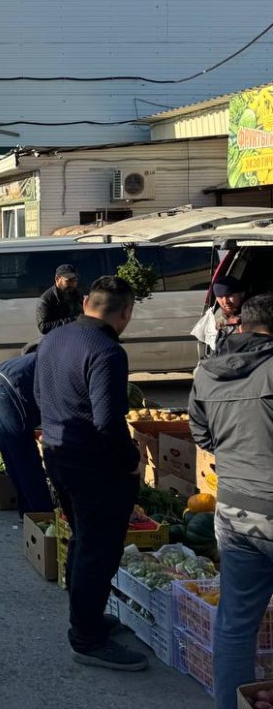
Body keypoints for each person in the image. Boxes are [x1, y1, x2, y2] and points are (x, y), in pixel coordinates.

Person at [34, 275, 144, 671]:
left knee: (83, 541)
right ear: (126, 313)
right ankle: (86, 638)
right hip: (94, 466)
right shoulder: (108, 352)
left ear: (85, 304)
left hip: (59, 456)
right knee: (98, 550)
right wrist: (131, 459)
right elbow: (108, 422)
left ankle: (87, 618)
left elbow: (39, 395)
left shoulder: (54, 338)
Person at [189, 293, 273, 709]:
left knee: (237, 622)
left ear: (241, 325)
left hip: (235, 510)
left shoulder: (207, 373)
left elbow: (202, 437)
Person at [0, 348, 54, 514]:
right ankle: (42, 516)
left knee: (13, 456)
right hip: (4, 393)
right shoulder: (63, 366)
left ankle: (27, 512)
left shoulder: (50, 356)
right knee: (26, 458)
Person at [193, 274, 247, 356]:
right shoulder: (217, 315)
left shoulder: (254, 312)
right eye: (220, 297)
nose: (225, 302)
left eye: (229, 296)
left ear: (242, 294)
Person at [36, 264, 83, 335]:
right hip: (58, 339)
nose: (72, 284)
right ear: (57, 279)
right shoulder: (46, 299)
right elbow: (44, 327)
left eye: (75, 280)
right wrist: (73, 320)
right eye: (68, 281)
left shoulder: (78, 294)